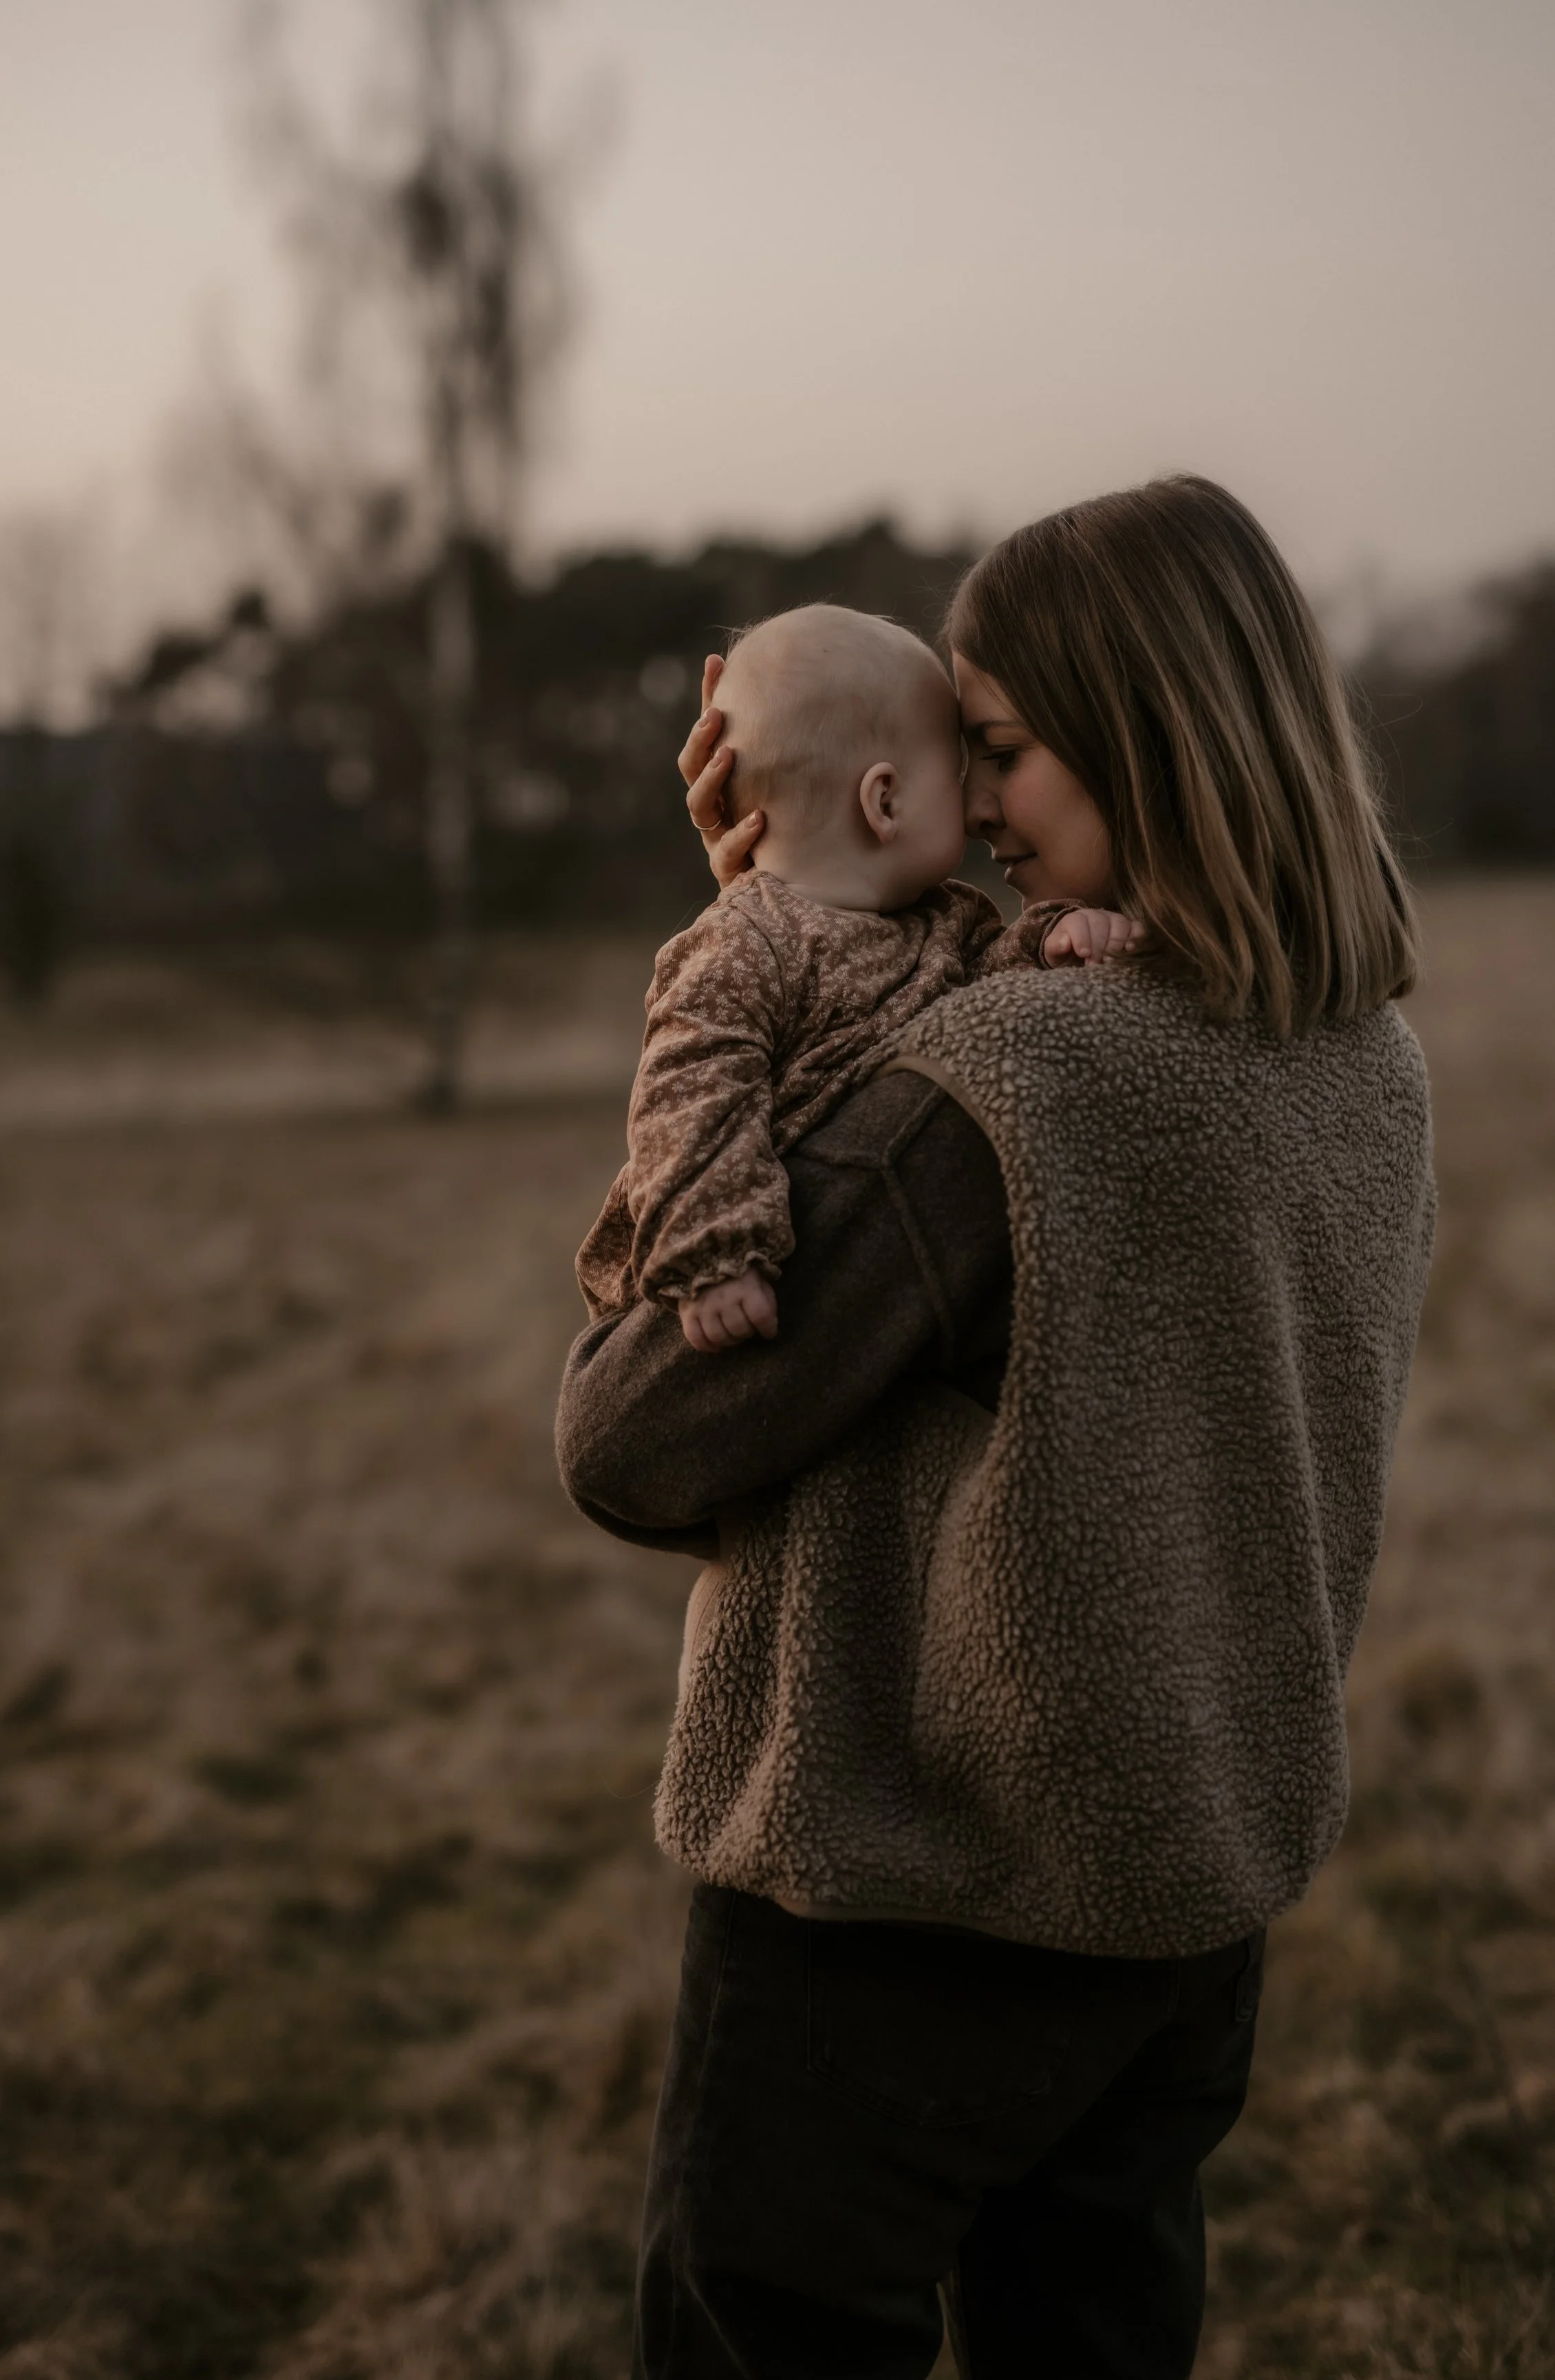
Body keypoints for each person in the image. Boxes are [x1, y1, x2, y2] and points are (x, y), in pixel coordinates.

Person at [555, 474, 1437, 2380]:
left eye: (1005, 750)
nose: (974, 809)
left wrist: (764, 961)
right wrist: (814, 927)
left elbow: (632, 1437)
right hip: (1183, 1899)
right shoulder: (1366, 1054)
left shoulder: (1017, 1073)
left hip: (908, 1893)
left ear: (1152, 732)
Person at [575, 602, 1137, 1353]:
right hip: (708, 1268)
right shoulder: (742, 945)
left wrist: (1052, 939)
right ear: (884, 800)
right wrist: (715, 1254)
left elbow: (990, 984)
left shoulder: (945, 919)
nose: (973, 808)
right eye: (958, 768)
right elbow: (689, 1095)